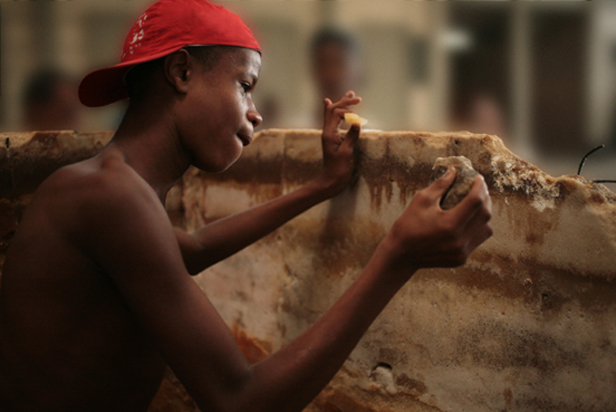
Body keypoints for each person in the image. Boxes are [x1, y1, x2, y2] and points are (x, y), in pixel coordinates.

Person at [0, 1, 492, 411]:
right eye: (245, 85)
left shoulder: (110, 188)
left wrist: (321, 186)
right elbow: (238, 401)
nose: (255, 111)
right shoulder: (111, 197)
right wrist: (398, 256)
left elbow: (188, 250)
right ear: (182, 71)